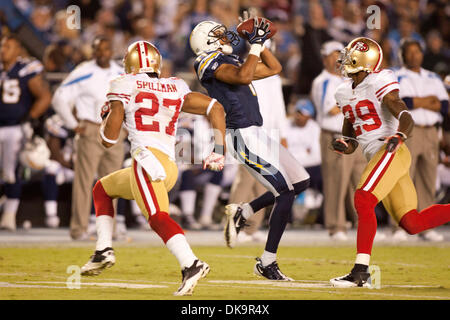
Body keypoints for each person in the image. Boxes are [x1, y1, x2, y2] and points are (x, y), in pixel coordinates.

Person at [80, 40, 227, 296]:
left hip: (146, 160)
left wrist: (107, 116)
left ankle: (191, 263)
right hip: (168, 166)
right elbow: (216, 108)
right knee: (102, 189)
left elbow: (108, 140)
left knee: (158, 218)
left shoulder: (123, 83)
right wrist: (219, 150)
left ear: (129, 64)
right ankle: (103, 249)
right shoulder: (174, 85)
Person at [189, 16, 310, 281]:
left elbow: (274, 67)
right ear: (207, 41)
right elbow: (244, 77)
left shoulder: (228, 60)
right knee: (285, 193)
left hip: (258, 131)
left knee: (301, 181)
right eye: (219, 34)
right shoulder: (206, 62)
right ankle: (267, 262)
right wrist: (253, 46)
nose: (226, 37)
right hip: (241, 135)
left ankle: (243, 211)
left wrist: (259, 43)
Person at [329, 37, 450, 288]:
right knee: (412, 223)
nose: (343, 61)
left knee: (363, 198)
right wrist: (343, 144)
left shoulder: (380, 80)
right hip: (377, 155)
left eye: (350, 56)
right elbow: (351, 137)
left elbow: (402, 111)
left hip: (391, 148)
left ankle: (360, 271)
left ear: (364, 61)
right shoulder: (342, 91)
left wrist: (401, 134)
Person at [52, 37, 126, 240]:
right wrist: (73, 124)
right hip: (91, 129)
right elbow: (59, 97)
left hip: (116, 132)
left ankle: (108, 231)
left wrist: (126, 128)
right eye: (98, 50)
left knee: (113, 183)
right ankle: (79, 229)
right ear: (92, 52)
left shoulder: (121, 72)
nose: (102, 53)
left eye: (105, 49)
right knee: (84, 182)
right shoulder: (84, 71)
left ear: (111, 51)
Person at [394, 38, 449, 242]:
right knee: (404, 177)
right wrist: (428, 101)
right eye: (410, 52)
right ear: (403, 55)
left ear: (422, 54)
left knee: (428, 179)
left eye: (417, 51)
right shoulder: (397, 75)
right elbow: (403, 102)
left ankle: (426, 226)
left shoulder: (433, 77)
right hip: (410, 131)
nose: (414, 55)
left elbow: (443, 105)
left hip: (430, 131)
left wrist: (419, 102)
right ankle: (399, 226)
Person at [311, 40, 366, 240]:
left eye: (339, 54)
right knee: (336, 182)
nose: (337, 59)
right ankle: (336, 226)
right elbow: (331, 109)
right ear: (325, 58)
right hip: (336, 135)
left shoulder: (349, 79)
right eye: (332, 55)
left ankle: (364, 225)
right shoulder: (323, 81)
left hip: (356, 135)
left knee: (359, 182)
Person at [0, 34, 51, 230]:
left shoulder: (26, 69)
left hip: (15, 127)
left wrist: (30, 117)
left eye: (9, 47)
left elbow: (44, 96)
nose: (4, 50)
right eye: (2, 46)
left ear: (18, 50)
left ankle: (9, 215)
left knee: (11, 172)